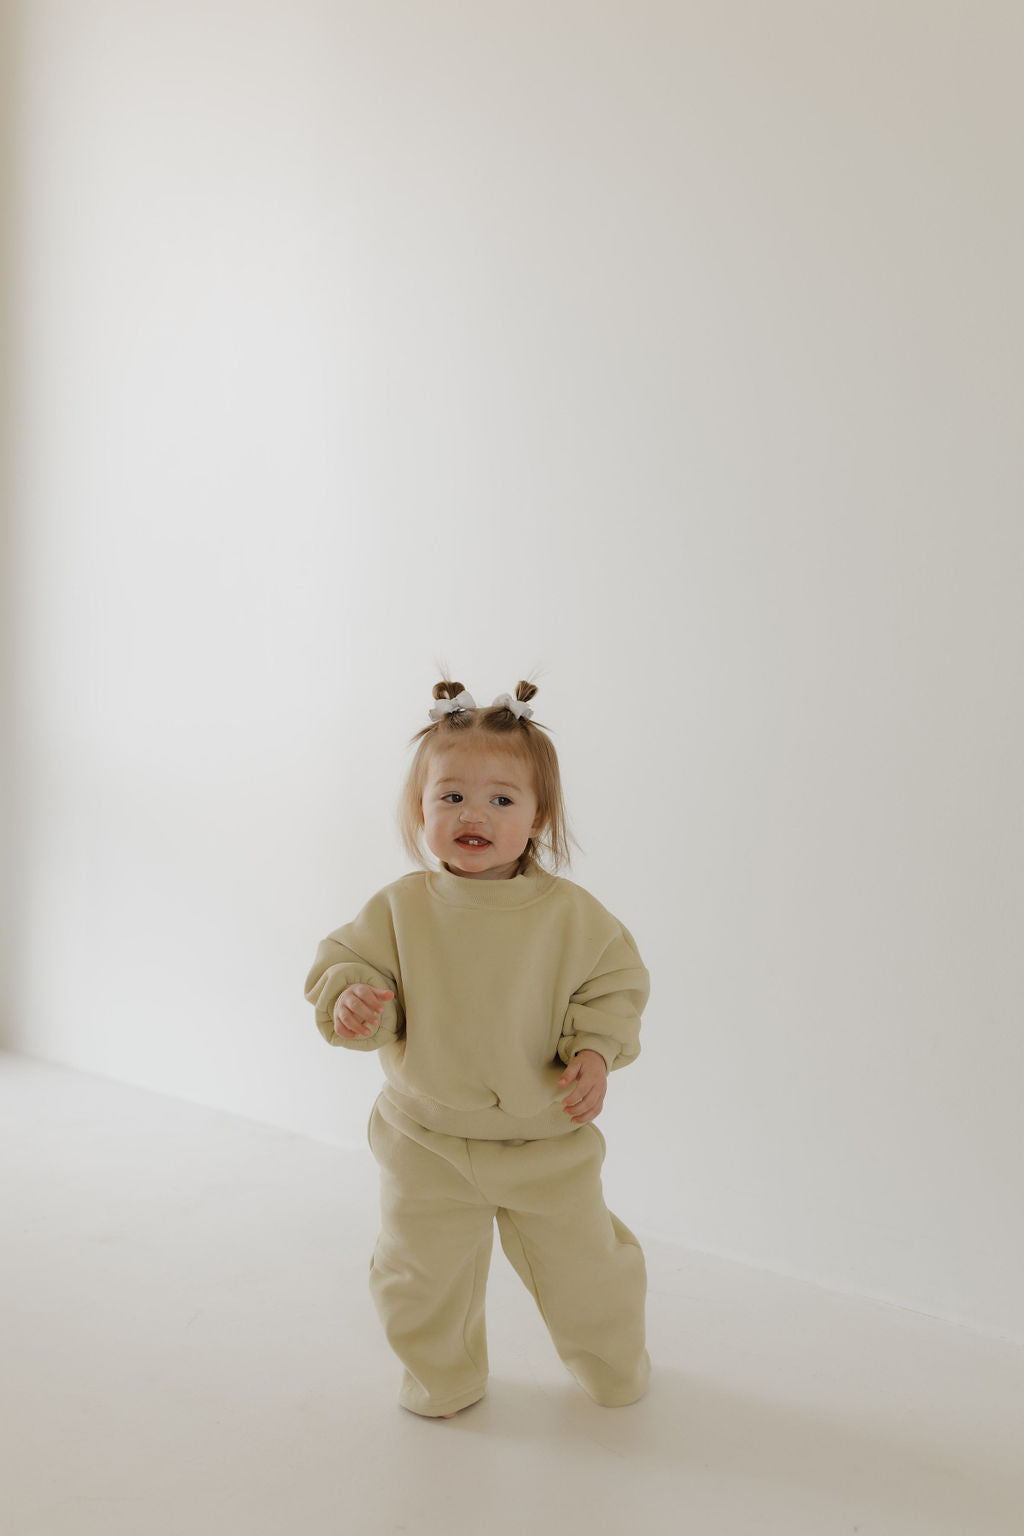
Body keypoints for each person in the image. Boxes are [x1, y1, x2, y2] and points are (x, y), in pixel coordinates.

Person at [303, 675, 652, 1420]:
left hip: (546, 1145)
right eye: (450, 796)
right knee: (417, 1279)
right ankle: (443, 1380)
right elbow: (346, 964)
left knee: (588, 1272)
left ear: (538, 817)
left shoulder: (572, 918)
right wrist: (354, 999)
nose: (474, 813)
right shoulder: (401, 909)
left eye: (501, 799)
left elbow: (613, 989)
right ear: (419, 809)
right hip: (425, 1141)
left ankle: (614, 1367)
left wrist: (593, 1053)